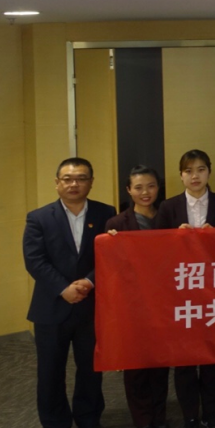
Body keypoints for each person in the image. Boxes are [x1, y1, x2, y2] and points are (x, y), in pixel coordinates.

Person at [24, 157, 116, 428]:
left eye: (81, 178)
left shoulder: (106, 213)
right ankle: (55, 421)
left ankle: (88, 417)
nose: (74, 184)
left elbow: (111, 255)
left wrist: (88, 282)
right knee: (50, 372)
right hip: (51, 306)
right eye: (67, 179)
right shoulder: (38, 217)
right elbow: (35, 260)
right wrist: (63, 288)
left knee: (91, 369)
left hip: (91, 305)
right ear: (57, 183)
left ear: (91, 182)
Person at [155, 149, 215, 428]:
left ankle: (210, 413)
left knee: (212, 357)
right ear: (181, 175)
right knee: (184, 359)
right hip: (181, 292)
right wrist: (175, 239)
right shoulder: (168, 207)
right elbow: (155, 249)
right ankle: (189, 415)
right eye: (188, 171)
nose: (195, 176)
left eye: (200, 169)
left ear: (209, 172)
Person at [106, 166, 170, 428]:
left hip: (163, 303)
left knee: (160, 365)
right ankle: (143, 421)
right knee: (136, 367)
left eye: (151, 186)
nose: (146, 192)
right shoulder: (116, 224)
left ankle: (159, 418)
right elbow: (111, 269)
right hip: (132, 306)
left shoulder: (168, 217)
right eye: (139, 187)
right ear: (129, 190)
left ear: (158, 188)